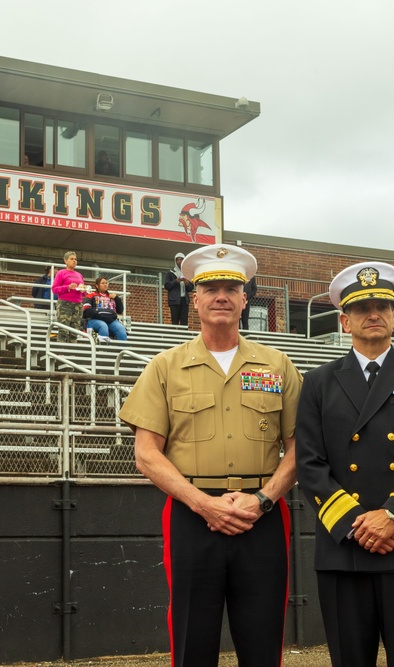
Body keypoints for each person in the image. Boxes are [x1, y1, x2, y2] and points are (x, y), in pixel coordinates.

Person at [119, 244, 301, 667]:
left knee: (263, 639)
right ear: (195, 298)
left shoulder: (277, 365)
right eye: (211, 289)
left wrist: (262, 499)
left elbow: (300, 448)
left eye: (231, 289)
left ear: (245, 299)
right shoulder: (165, 367)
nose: (221, 296)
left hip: (262, 514)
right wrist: (203, 504)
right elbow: (146, 454)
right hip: (192, 515)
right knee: (191, 639)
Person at [295, 261, 394, 667]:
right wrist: (359, 525)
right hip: (344, 548)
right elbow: (309, 463)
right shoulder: (318, 382)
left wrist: (392, 516)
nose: (373, 314)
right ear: (344, 320)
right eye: (361, 308)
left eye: (383, 306)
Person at [51, 251, 85, 342]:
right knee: (63, 330)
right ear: (65, 261)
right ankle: (61, 349)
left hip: (78, 304)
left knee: (74, 331)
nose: (74, 261)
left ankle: (72, 349)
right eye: (71, 259)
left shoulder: (79, 275)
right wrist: (68, 287)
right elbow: (54, 289)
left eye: (75, 259)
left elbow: (83, 293)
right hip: (65, 303)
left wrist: (83, 290)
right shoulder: (61, 273)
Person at [82, 277, 126, 342]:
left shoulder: (112, 296)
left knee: (121, 329)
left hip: (111, 321)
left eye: (106, 283)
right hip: (95, 320)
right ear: (97, 285)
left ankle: (122, 348)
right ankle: (103, 347)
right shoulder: (91, 295)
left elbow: (120, 311)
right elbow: (87, 311)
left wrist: (117, 299)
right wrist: (101, 316)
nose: (105, 284)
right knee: (103, 326)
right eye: (102, 283)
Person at [163, 251, 194, 327]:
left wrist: (187, 283)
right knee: (175, 321)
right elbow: (167, 286)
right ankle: (174, 333)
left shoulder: (186, 272)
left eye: (181, 259)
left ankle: (184, 334)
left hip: (184, 301)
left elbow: (191, 288)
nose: (179, 261)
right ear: (175, 261)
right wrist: (176, 281)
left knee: (184, 321)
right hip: (174, 300)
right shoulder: (171, 272)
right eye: (178, 260)